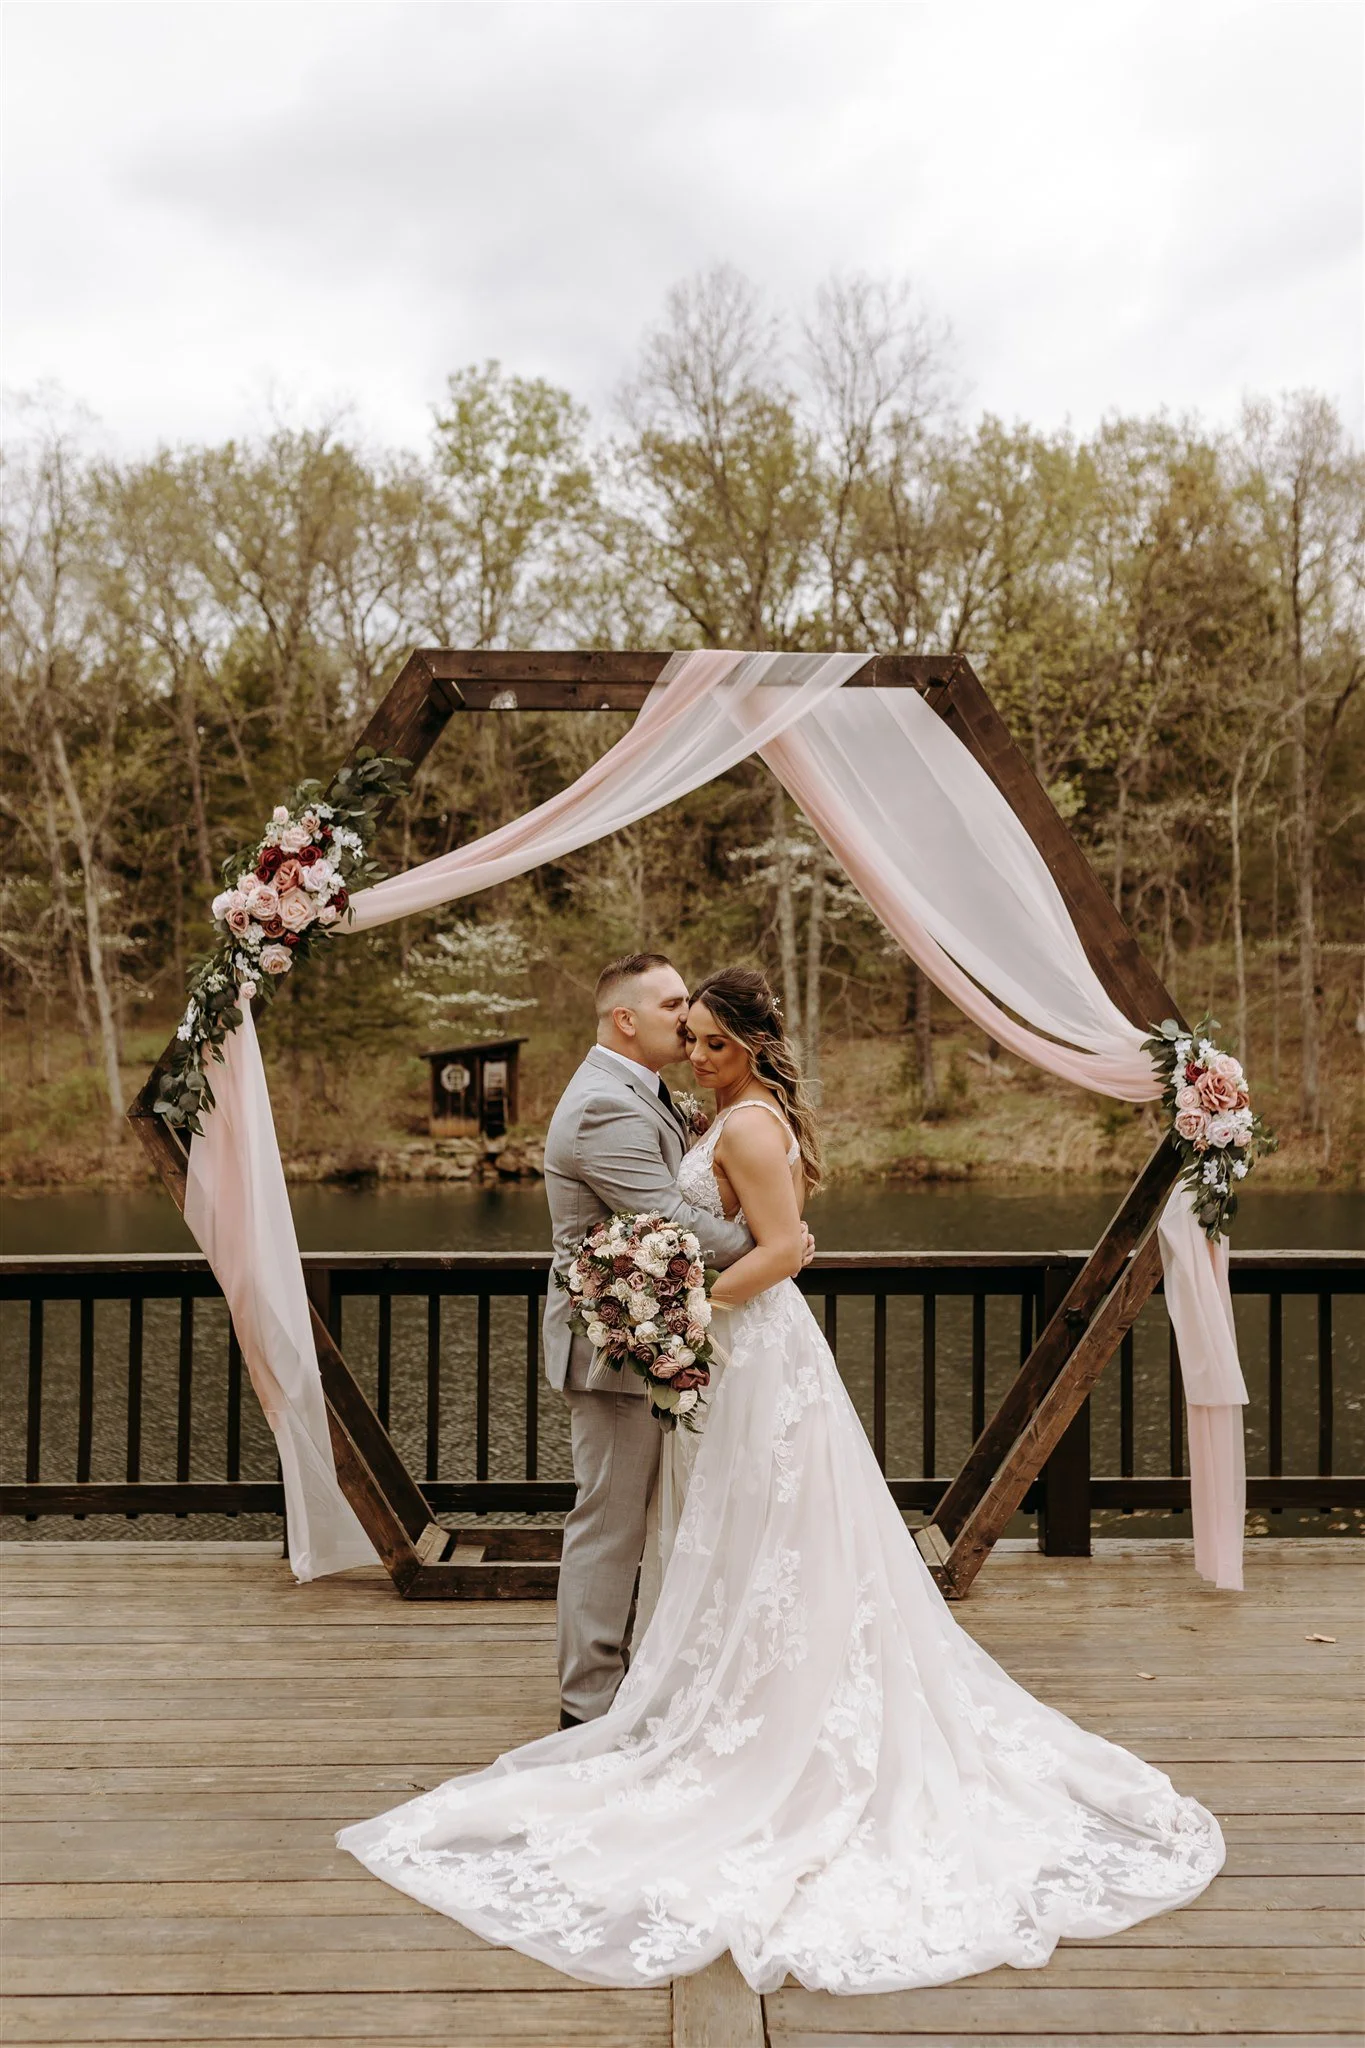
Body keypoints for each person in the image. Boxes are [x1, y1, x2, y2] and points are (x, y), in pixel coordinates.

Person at [338, 965, 1223, 1996]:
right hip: (678, 1344)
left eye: (709, 1031)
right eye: (683, 1022)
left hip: (734, 1345)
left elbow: (740, 1236)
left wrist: (722, 1285)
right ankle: (612, 1705)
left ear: (748, 1043)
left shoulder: (731, 1116)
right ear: (631, 1018)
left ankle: (702, 1705)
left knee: (754, 1526)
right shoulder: (624, 1105)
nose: (694, 1041)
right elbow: (692, 1223)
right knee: (670, 1528)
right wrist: (752, 1261)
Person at [539, 952, 813, 1728]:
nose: (685, 1022)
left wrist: (778, 1236)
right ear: (626, 1019)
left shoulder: (653, 1094)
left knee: (685, 1516)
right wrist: (778, 1243)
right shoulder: (604, 1105)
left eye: (699, 1024)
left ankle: (668, 1680)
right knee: (611, 1526)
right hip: (616, 1341)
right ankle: (586, 1708)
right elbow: (671, 1222)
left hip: (670, 1334)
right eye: (671, 1009)